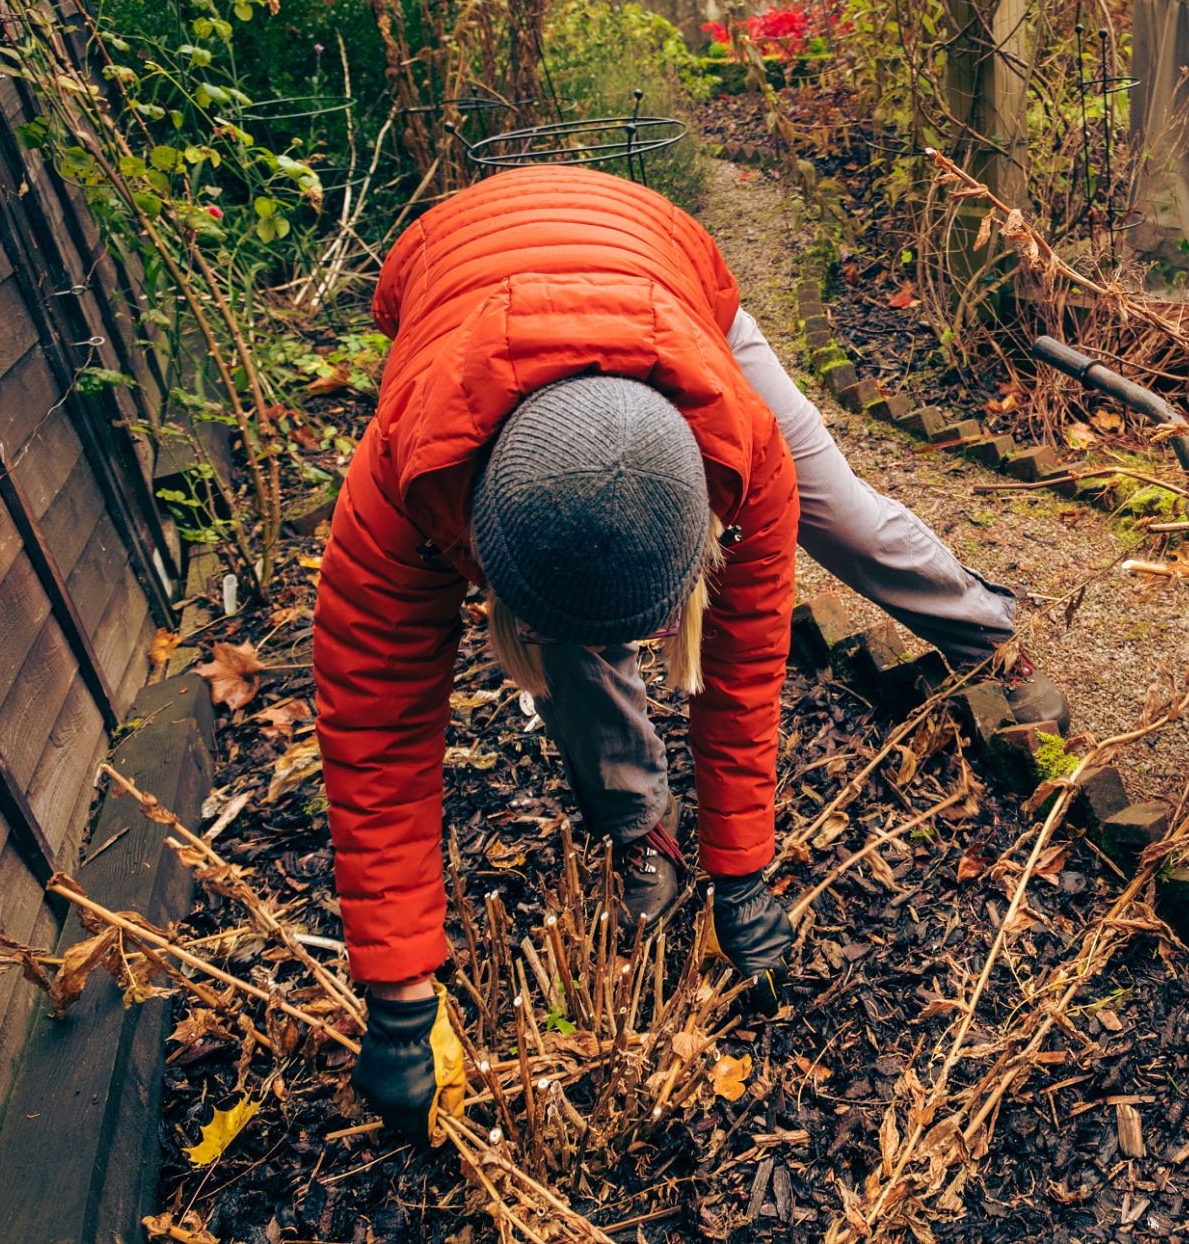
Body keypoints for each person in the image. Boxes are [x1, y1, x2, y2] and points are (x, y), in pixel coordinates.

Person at [314, 164, 1066, 1138]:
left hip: (662, 285)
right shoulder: (398, 494)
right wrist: (399, 991)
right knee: (570, 608)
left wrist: (744, 867)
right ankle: (643, 831)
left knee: (842, 517)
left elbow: (744, 673)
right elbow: (374, 734)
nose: (649, 640)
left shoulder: (742, 455)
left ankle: (991, 635)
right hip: (464, 284)